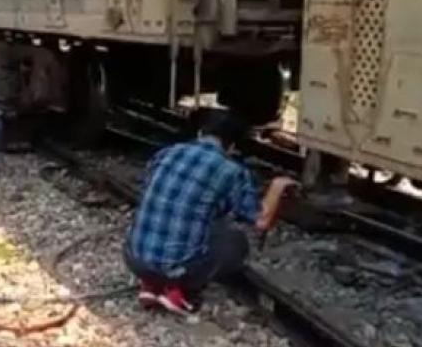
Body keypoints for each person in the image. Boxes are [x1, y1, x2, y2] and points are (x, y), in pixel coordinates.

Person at [124, 111, 297, 315]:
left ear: (200, 133)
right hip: (174, 270)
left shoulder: (168, 152)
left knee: (200, 223)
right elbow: (261, 220)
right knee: (236, 243)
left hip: (133, 258)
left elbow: (151, 191)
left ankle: (151, 286)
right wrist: (277, 186)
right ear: (232, 146)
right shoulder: (231, 171)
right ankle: (178, 292)